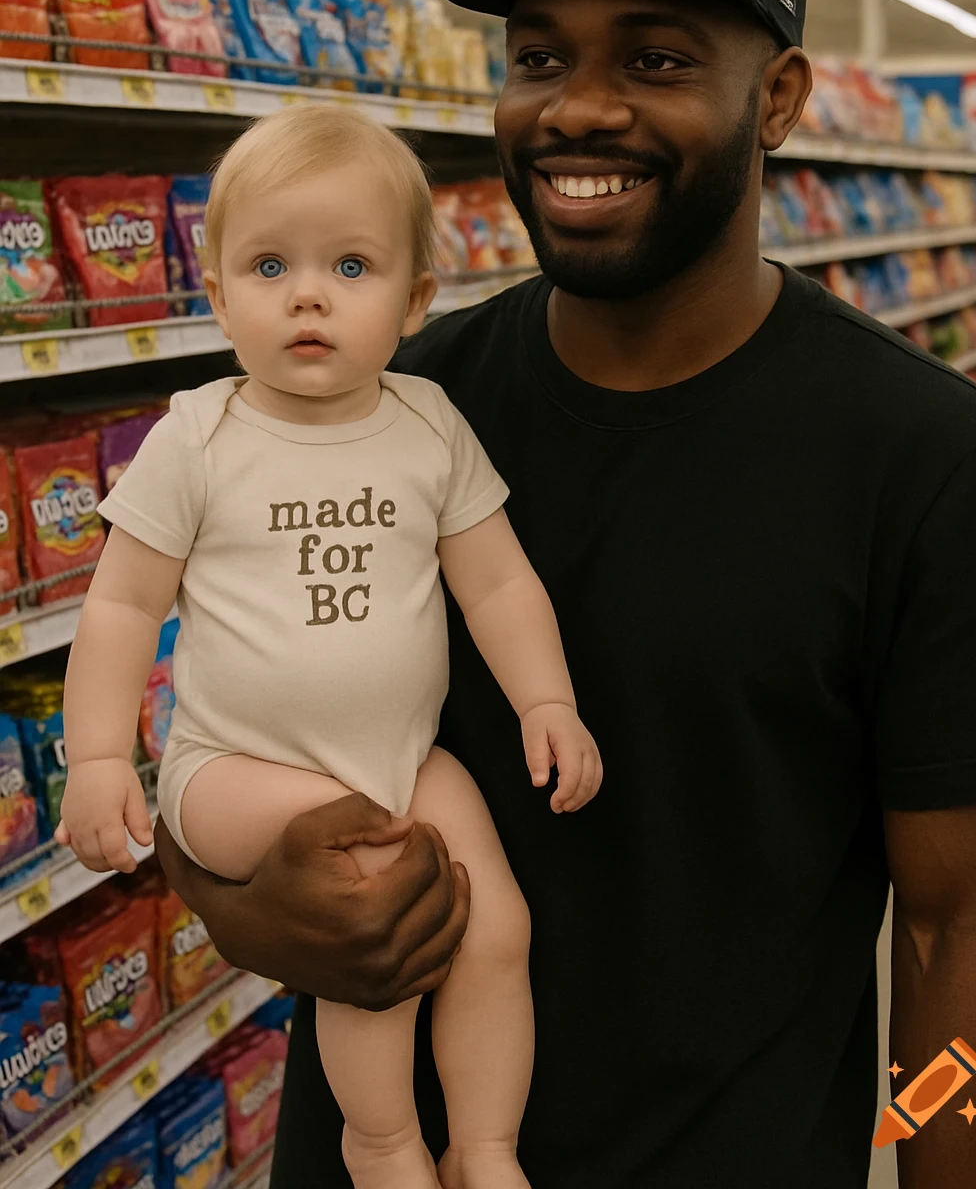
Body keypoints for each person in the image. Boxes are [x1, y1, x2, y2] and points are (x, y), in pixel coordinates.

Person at [156, 0, 976, 1189]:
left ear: (781, 95)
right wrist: (242, 903)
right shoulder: (383, 409)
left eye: (659, 60)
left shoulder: (921, 457)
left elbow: (963, 931)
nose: (576, 108)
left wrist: (951, 1178)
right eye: (541, 57)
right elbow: (219, 735)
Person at [56, 105, 601, 1189]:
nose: (306, 294)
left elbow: (494, 579)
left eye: (349, 266)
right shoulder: (197, 438)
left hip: (402, 758)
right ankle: (382, 1143)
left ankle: (484, 1146)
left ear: (412, 302)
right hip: (233, 770)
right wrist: (104, 758)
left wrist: (549, 702)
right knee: (372, 911)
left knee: (494, 924)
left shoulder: (428, 423)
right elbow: (119, 608)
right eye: (268, 265)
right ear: (215, 296)